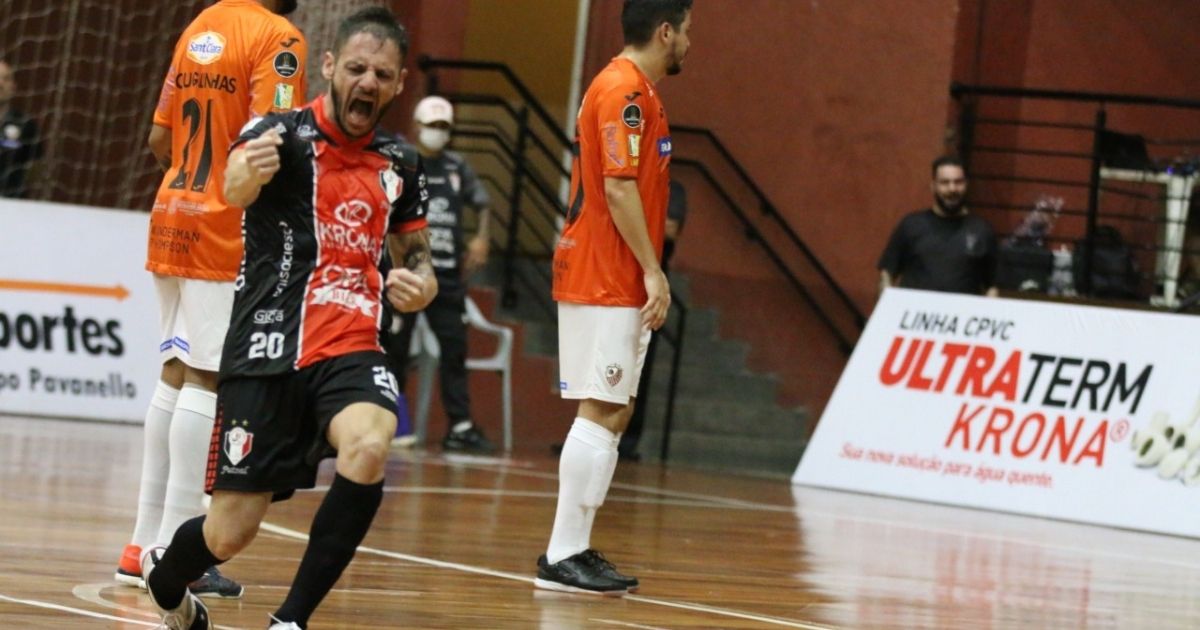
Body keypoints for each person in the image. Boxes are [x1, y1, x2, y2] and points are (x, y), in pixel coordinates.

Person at [140, 7, 434, 629]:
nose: (367, 83)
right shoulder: (279, 134)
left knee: (369, 445)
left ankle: (290, 620)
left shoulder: (402, 164)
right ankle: (166, 579)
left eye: (382, 74)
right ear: (329, 67)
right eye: (356, 68)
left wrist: (422, 284)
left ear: (399, 82)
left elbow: (416, 253)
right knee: (229, 532)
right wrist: (244, 173)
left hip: (351, 344)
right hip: (267, 350)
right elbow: (240, 186)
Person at [117, 0, 308, 598]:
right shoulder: (279, 38)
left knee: (174, 374)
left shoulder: (200, 24)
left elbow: (158, 135)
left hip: (172, 213)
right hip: (224, 230)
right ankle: (175, 551)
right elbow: (269, 144)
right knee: (206, 377)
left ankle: (140, 544)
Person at [538, 0, 692, 596]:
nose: (688, 44)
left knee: (614, 408)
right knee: (602, 407)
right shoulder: (624, 91)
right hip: (607, 273)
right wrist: (654, 271)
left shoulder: (637, 91)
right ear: (664, 31)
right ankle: (562, 553)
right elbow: (620, 187)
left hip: (612, 273)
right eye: (687, 32)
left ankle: (571, 548)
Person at [382, 95, 496, 453]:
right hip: (408, 271)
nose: (438, 133)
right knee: (394, 348)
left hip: (446, 276)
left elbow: (484, 202)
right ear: (417, 127)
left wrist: (481, 237)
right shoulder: (402, 161)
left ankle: (459, 426)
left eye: (444, 127)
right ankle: (393, 421)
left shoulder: (457, 167)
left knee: (455, 349)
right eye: (432, 126)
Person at [618, 179, 687, 460]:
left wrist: (633, 216)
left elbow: (670, 227)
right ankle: (590, 433)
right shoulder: (624, 181)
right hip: (617, 276)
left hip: (652, 281)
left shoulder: (673, 188)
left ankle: (629, 438)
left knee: (639, 366)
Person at [878, 155, 999, 297]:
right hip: (916, 315)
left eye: (958, 182)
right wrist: (887, 307)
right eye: (945, 183)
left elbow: (992, 286)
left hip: (963, 316)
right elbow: (887, 273)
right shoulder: (911, 225)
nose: (952, 188)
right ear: (933, 186)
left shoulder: (982, 230)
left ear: (966, 184)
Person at [0, 60, 42, 199]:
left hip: (12, 202)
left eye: (6, 79)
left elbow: (36, 167)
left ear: (13, 87)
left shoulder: (26, 124)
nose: (0, 84)